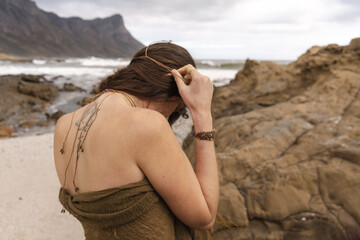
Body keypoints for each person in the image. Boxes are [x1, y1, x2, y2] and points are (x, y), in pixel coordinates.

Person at [53, 42, 219, 239]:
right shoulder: (147, 124)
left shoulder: (63, 125)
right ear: (171, 92)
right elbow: (204, 217)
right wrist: (202, 113)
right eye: (176, 109)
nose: (168, 119)